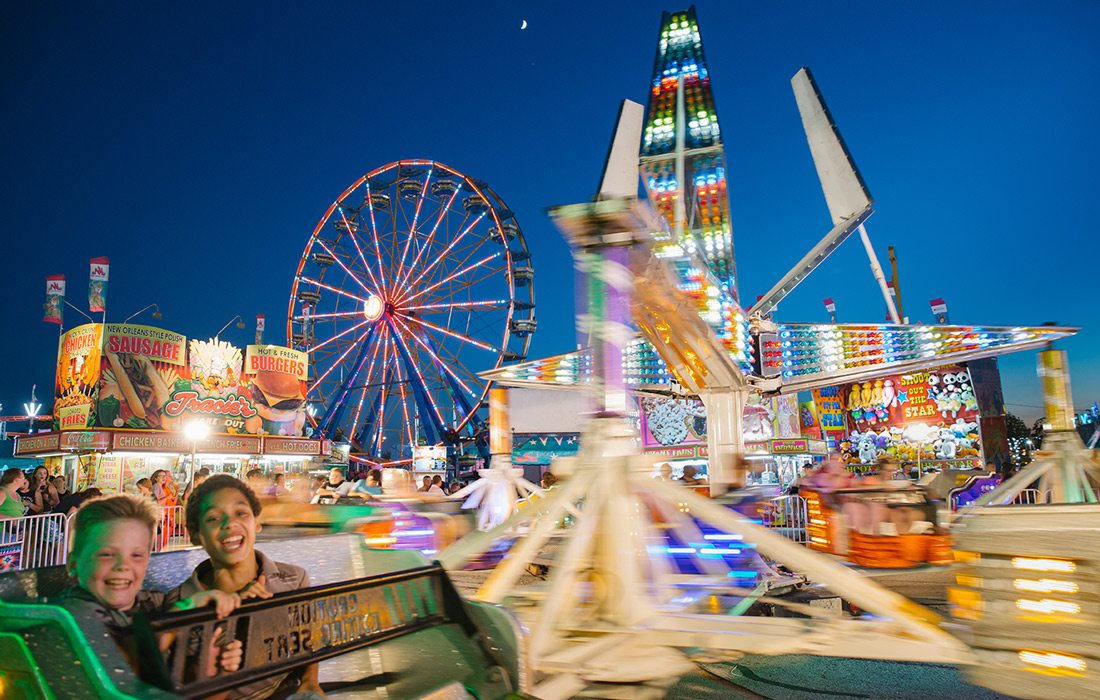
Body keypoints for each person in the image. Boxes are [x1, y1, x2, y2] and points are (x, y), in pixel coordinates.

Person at [58, 494, 244, 680]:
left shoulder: (154, 603)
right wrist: (180, 613)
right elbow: (125, 663)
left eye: (137, 555)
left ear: (148, 561)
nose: (123, 566)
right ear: (73, 564)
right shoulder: (67, 616)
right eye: (107, 554)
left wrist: (212, 669)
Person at [171, 475, 324, 698]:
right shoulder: (181, 602)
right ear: (195, 534)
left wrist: (310, 681)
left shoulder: (293, 579)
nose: (230, 523)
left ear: (257, 522)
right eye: (214, 518)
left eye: (241, 513)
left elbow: (309, 637)